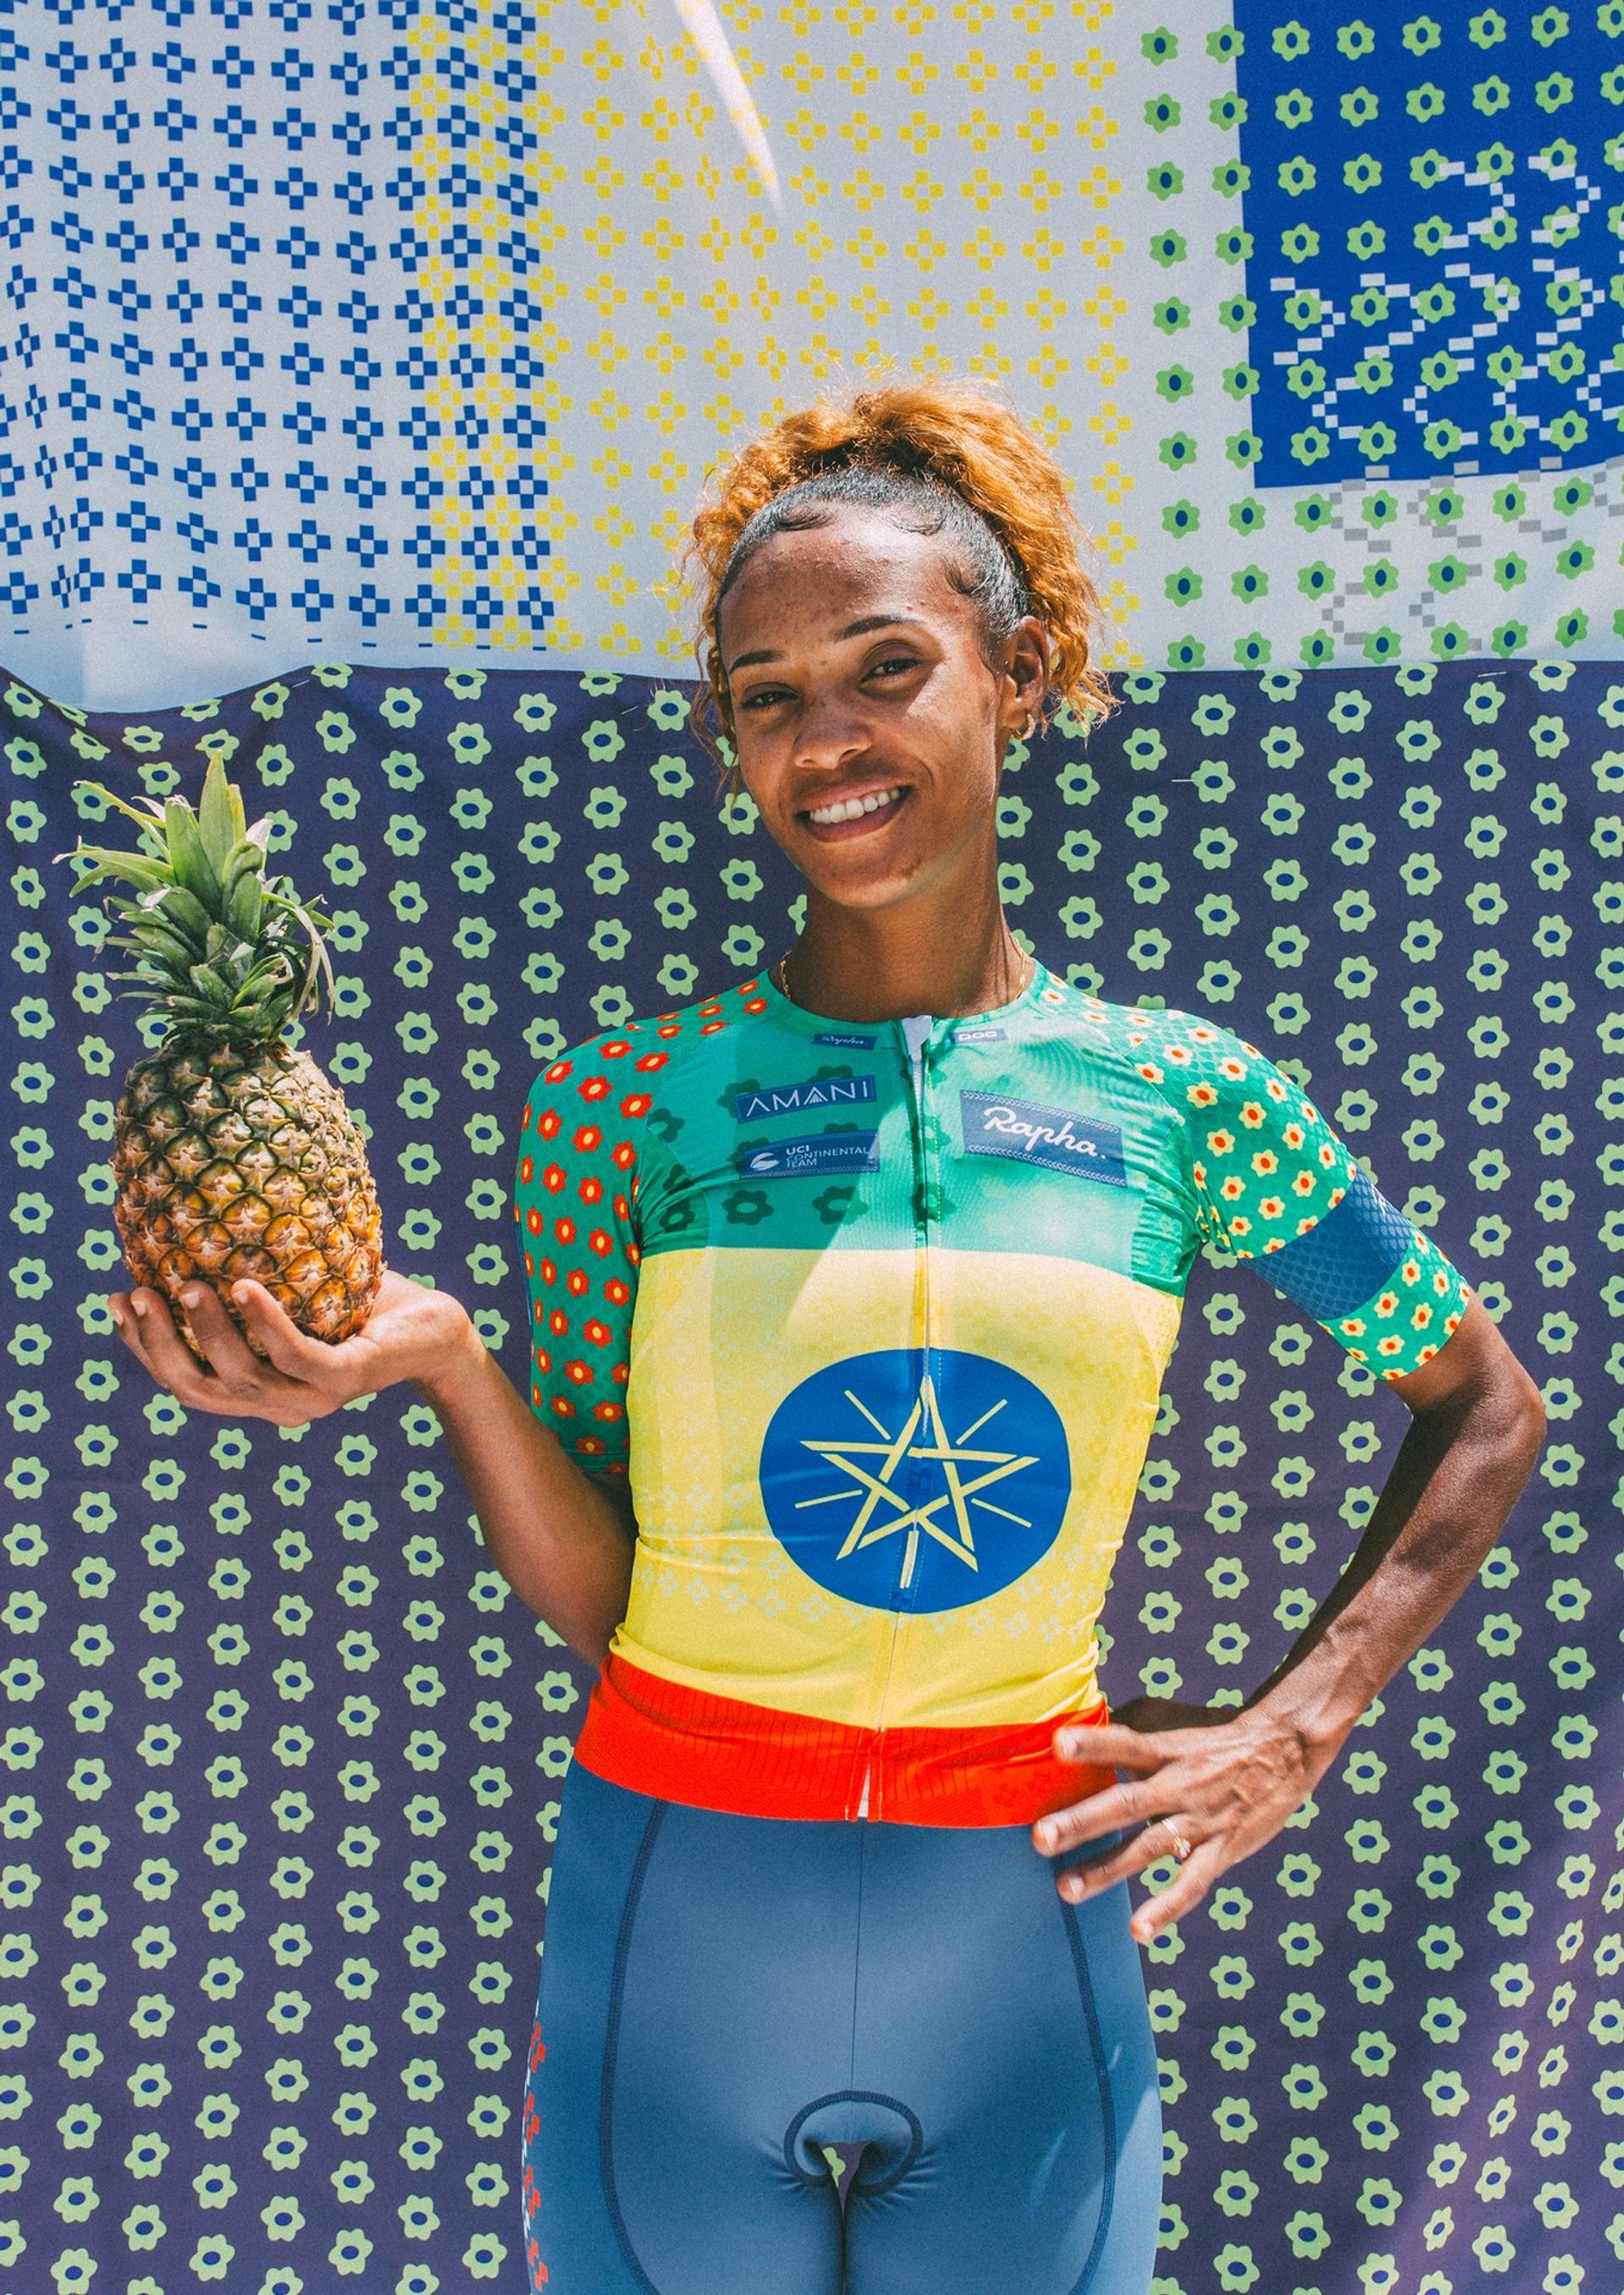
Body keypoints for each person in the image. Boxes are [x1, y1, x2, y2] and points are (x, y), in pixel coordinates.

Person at [107, 377, 1548, 2295]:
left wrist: (1300, 1720)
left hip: (1022, 1936)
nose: (827, 740)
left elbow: (1484, 1403)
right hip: (677, 1912)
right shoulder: (627, 1101)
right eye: (767, 695)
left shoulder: (1187, 1097)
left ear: (1016, 675)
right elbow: (609, 1590)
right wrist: (446, 1359)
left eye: (885, 667)